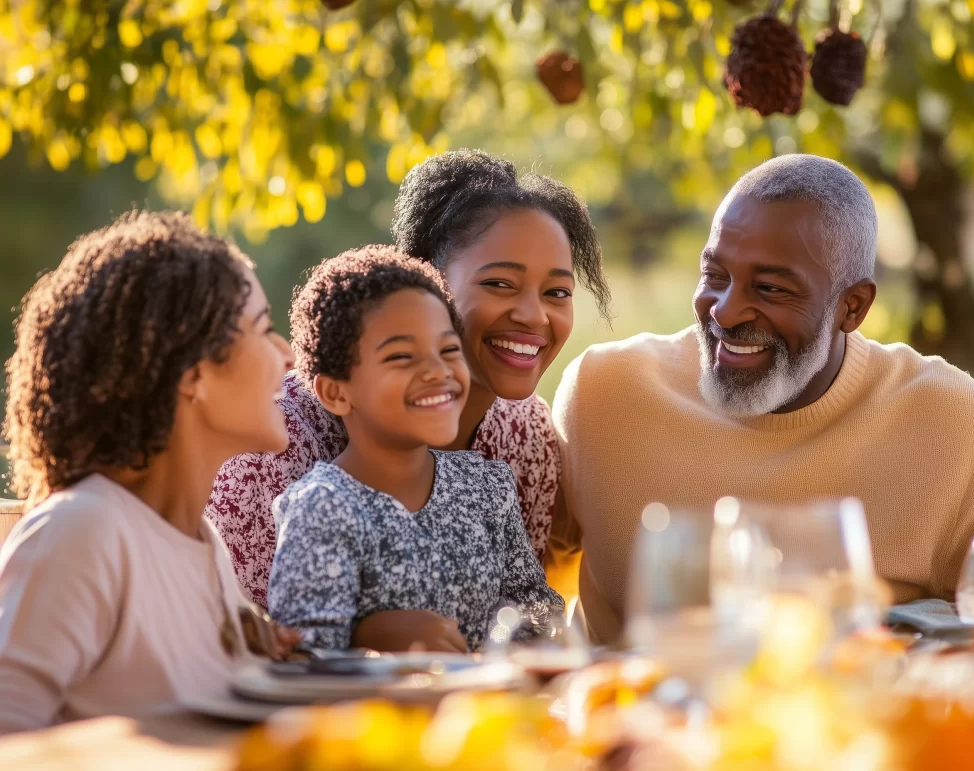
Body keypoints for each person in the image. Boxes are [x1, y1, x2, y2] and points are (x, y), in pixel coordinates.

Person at [550, 154, 974, 645]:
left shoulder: (969, 431)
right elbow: (516, 577)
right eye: (715, 275)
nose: (727, 311)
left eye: (771, 288)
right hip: (625, 715)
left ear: (852, 307)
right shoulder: (604, 391)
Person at [207, 149, 611, 620]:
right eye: (500, 283)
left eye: (557, 293)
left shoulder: (524, 441)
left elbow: (527, 617)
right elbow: (260, 643)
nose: (534, 316)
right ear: (422, 281)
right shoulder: (274, 443)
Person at [0, 211, 298, 732]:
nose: (287, 356)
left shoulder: (204, 543)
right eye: (264, 329)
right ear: (194, 375)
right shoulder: (83, 533)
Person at [267, 247, 563, 653]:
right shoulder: (323, 508)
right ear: (335, 392)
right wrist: (367, 637)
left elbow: (539, 618)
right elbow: (303, 659)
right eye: (402, 356)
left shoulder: (487, 489)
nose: (437, 371)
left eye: (448, 350)